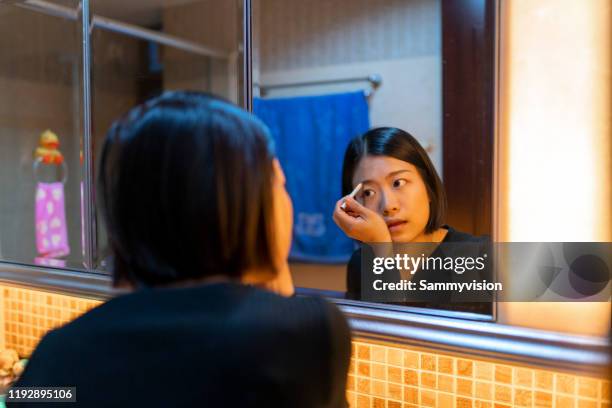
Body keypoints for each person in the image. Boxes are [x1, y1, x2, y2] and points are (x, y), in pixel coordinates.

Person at [10, 92, 351, 407]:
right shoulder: (304, 337)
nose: (287, 202)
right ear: (243, 206)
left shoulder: (60, 353)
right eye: (279, 183)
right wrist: (273, 269)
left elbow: (30, 397)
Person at [332, 127, 490, 311]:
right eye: (368, 192)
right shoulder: (361, 263)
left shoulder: (481, 256)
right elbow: (383, 334)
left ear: (428, 186)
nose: (388, 206)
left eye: (398, 183)